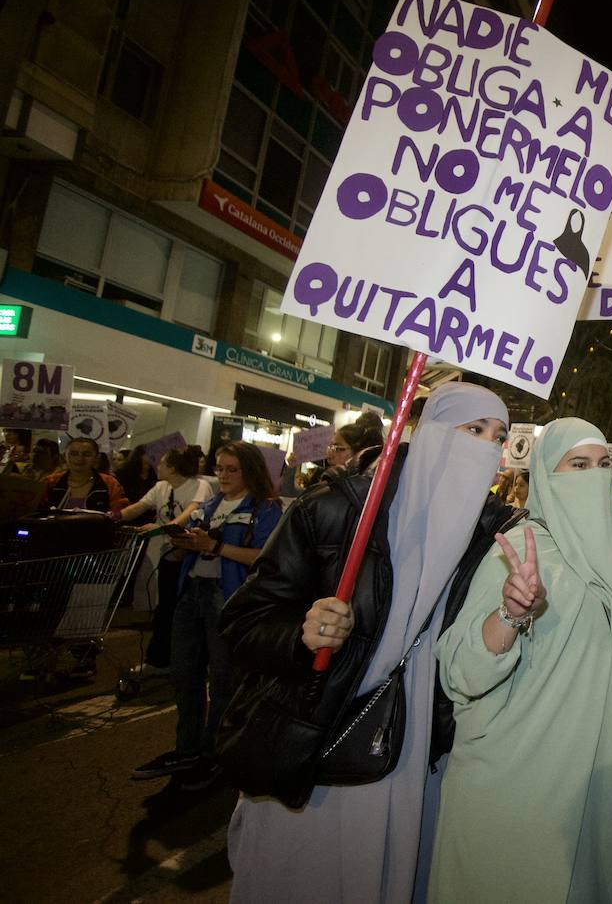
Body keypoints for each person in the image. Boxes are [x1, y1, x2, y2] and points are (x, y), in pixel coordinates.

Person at [218, 383, 510, 903]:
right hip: (316, 740)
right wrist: (302, 635)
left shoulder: (488, 538)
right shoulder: (334, 510)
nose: (486, 447)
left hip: (409, 755)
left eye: (498, 437)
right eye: (473, 430)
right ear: (433, 435)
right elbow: (244, 623)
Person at [430, 418, 612, 903]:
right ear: (548, 475)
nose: (593, 477)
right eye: (578, 465)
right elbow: (459, 672)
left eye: (601, 466)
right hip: (515, 784)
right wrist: (509, 614)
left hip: (588, 784)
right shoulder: (520, 552)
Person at [132, 442, 282, 791]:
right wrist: (184, 542)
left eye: (232, 469)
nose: (224, 475)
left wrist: (215, 547)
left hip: (227, 598)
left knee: (224, 680)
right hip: (193, 592)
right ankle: (187, 749)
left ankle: (214, 753)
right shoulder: (211, 503)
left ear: (250, 471)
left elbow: (264, 558)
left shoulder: (265, 508)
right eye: (219, 468)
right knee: (185, 675)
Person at [110, 448, 212, 674]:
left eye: (162, 463)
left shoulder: (199, 486)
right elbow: (139, 507)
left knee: (185, 609)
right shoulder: (161, 487)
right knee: (165, 607)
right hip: (168, 554)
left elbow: (191, 513)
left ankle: (188, 660)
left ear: (173, 468)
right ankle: (159, 659)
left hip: (188, 554)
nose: (157, 467)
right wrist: (114, 516)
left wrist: (163, 528)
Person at [43, 437, 128, 512]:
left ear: (96, 457)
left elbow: (120, 513)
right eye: (73, 454)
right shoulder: (51, 482)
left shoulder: (110, 483)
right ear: (65, 456)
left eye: (87, 454)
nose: (80, 458)